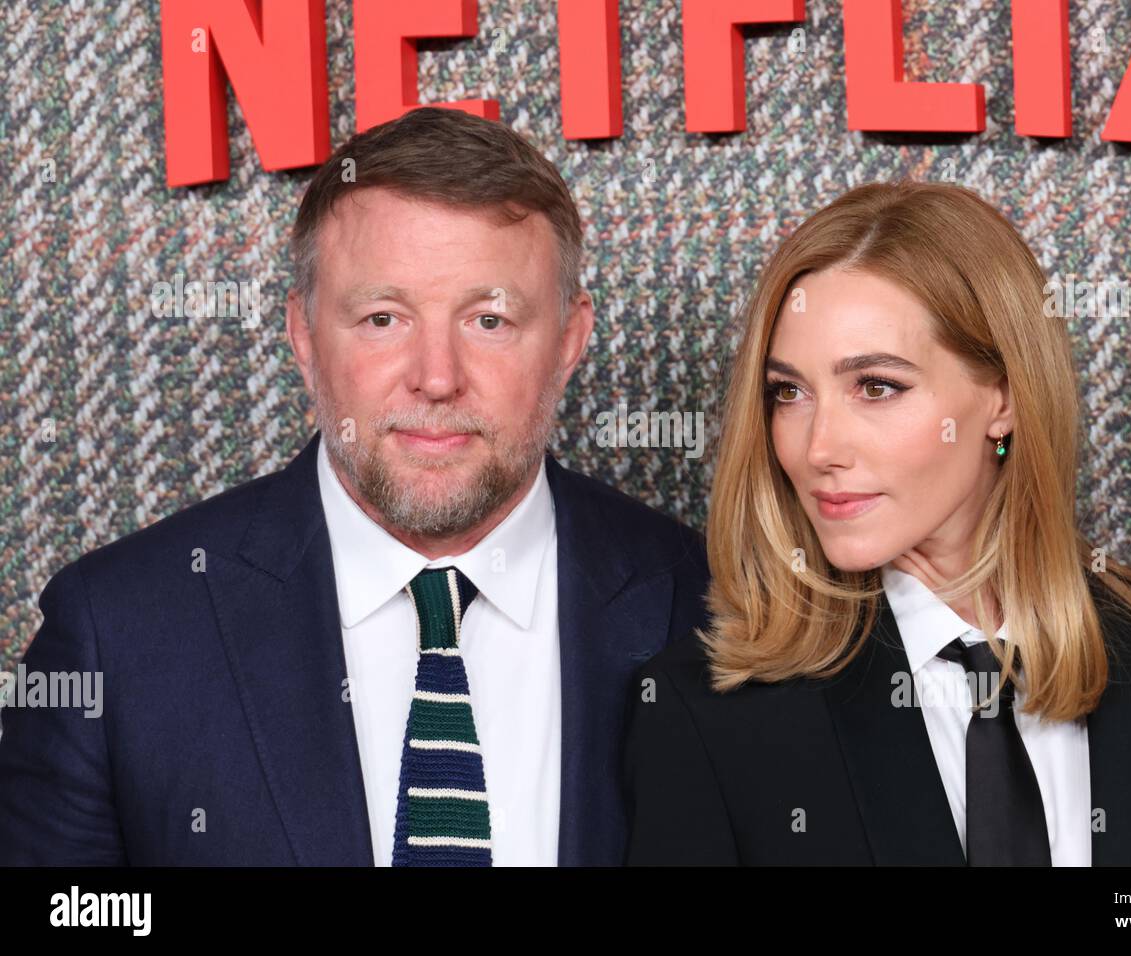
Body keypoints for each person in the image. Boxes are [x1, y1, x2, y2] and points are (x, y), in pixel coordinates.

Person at [0, 106, 709, 866]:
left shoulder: (716, 607)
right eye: (382, 318)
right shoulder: (116, 633)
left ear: (569, 339)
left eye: (490, 321)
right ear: (304, 336)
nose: (436, 377)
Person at [622, 181, 1131, 866]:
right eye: (789, 392)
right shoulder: (708, 717)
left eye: (877, 386)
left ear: (1003, 398)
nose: (818, 447)